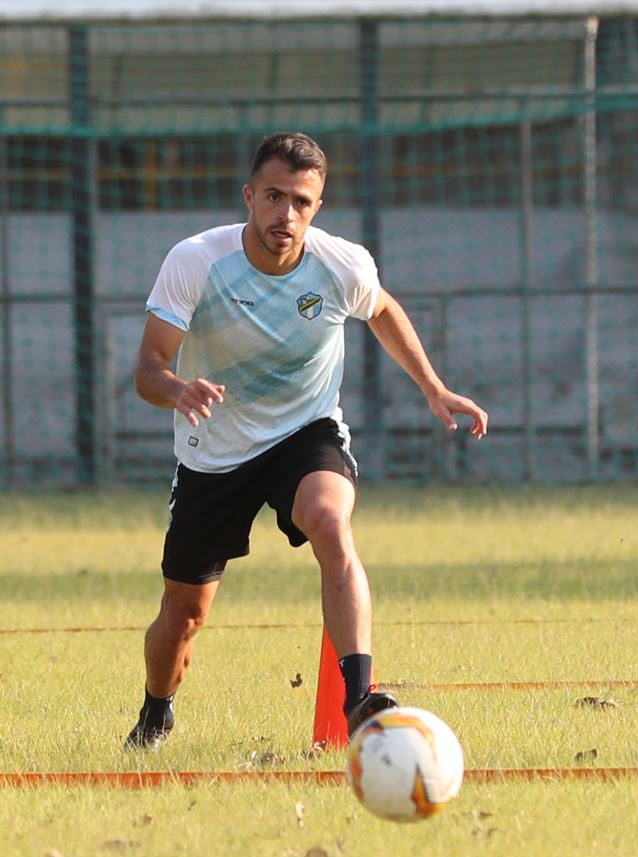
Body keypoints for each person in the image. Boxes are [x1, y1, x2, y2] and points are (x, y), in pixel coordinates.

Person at [124, 131, 489, 750]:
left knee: (329, 519)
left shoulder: (341, 263)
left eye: (300, 201)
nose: (284, 214)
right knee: (184, 616)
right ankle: (157, 708)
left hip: (304, 431)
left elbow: (380, 309)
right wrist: (178, 389)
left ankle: (361, 698)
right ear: (249, 196)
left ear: (316, 207)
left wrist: (433, 386)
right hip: (213, 451)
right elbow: (147, 370)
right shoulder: (195, 261)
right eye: (272, 197)